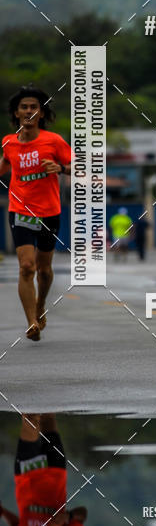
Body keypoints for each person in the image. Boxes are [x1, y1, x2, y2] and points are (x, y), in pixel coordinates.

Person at [0, 87, 72, 341]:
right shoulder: (8, 142)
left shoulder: (54, 141)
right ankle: (31, 321)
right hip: (20, 210)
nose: (29, 111)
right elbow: (4, 166)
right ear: (16, 113)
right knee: (26, 267)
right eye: (24, 107)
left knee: (44, 270)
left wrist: (61, 168)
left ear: (41, 113)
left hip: (49, 212)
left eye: (34, 107)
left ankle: (41, 305)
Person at [0, 414, 87, 526]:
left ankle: (29, 401)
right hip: (56, 473)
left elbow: (15, 524)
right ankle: (45, 395)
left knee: (30, 420)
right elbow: (83, 514)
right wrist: (69, 516)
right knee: (48, 419)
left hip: (27, 476)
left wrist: (3, 512)